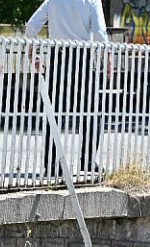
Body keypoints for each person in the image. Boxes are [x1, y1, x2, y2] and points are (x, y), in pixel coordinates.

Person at [25, 0, 109, 177]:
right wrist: (107, 58)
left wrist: (32, 52)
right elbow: (100, 32)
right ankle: (88, 160)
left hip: (58, 58)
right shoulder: (92, 1)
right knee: (93, 112)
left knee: (54, 112)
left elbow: (32, 25)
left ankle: (51, 164)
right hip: (83, 58)